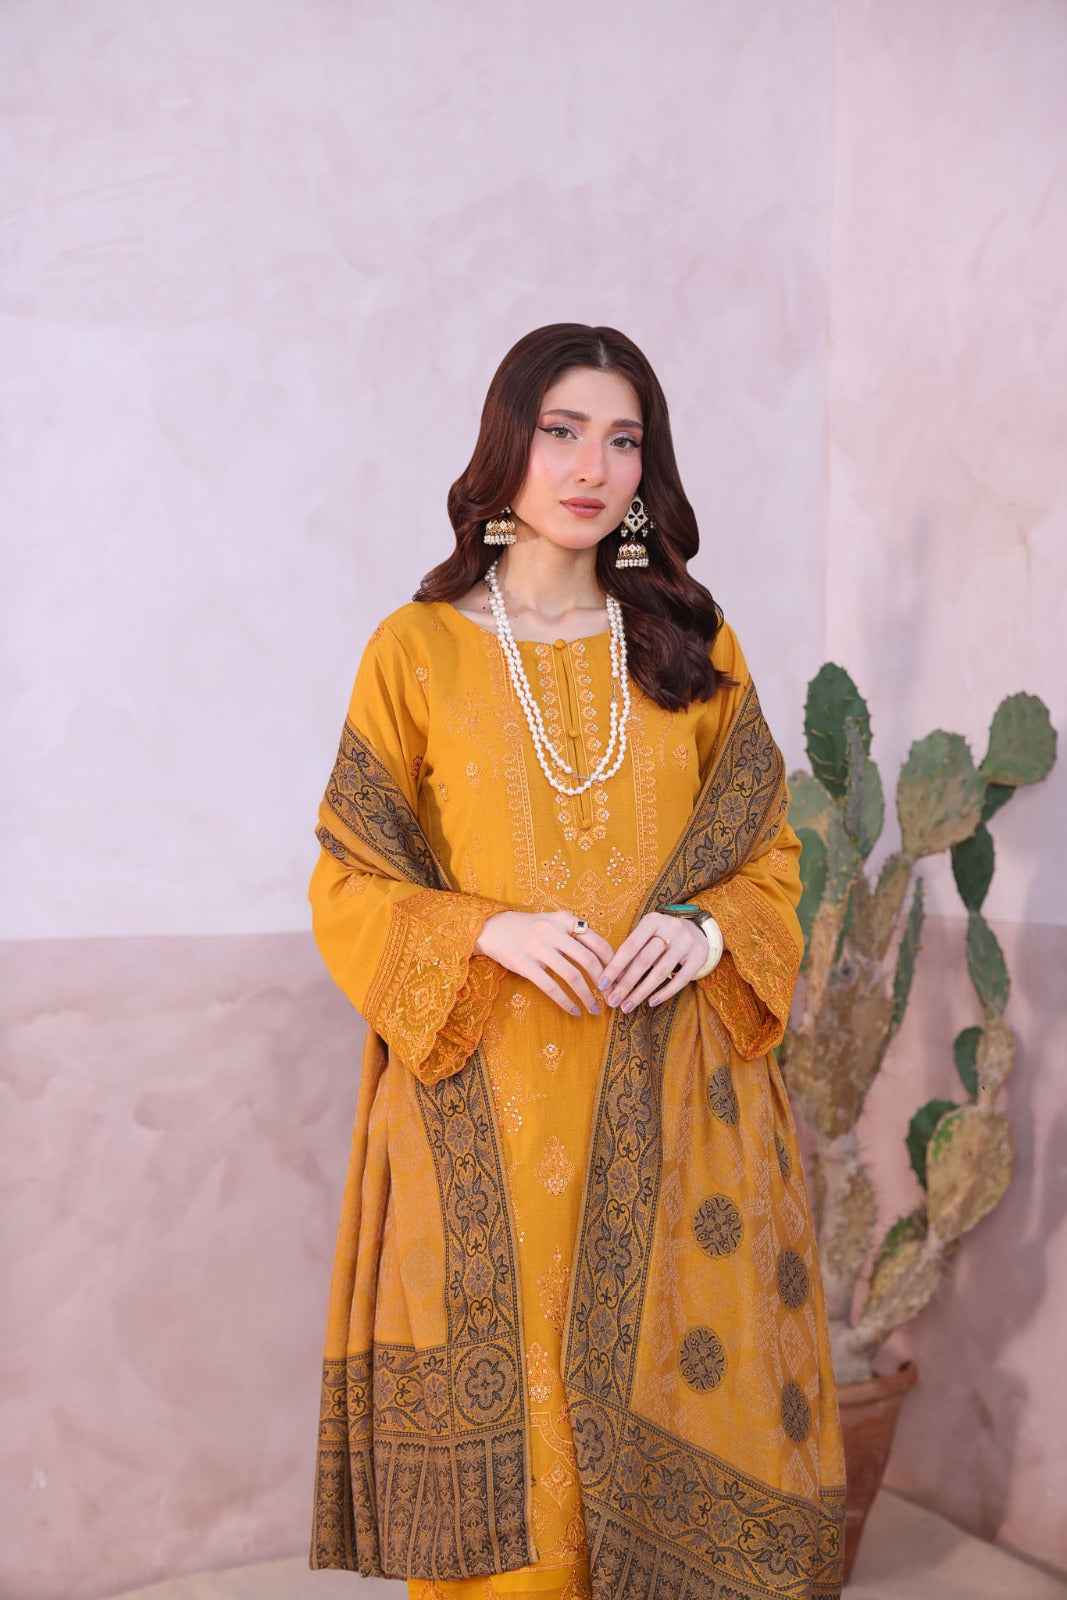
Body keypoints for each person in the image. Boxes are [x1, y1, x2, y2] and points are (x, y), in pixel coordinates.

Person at [308, 324, 845, 1600]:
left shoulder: (690, 642)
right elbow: (348, 876)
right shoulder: (415, 650)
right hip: (481, 1111)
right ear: (506, 444)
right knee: (523, 1481)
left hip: (675, 1108)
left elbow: (768, 853)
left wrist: (703, 930)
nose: (591, 466)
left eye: (622, 439)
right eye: (560, 431)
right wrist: (484, 929)